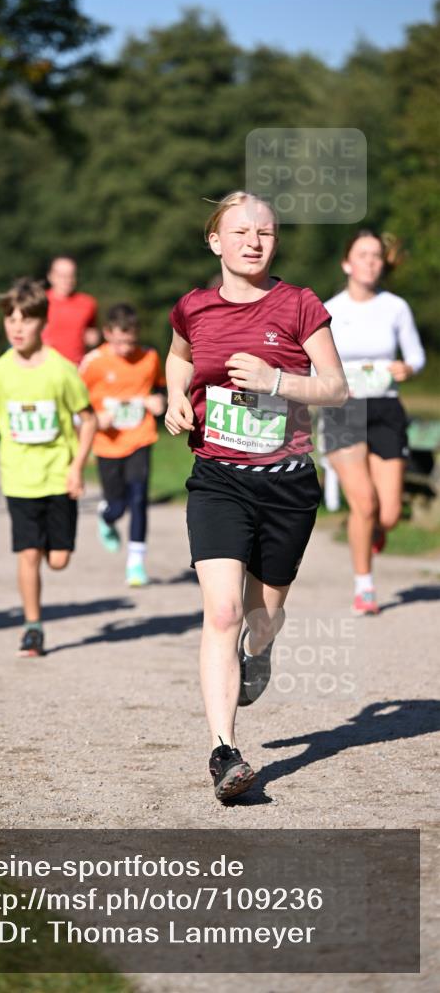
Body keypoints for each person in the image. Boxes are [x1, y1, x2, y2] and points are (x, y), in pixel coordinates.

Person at [164, 191, 347, 802]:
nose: (254, 242)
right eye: (241, 232)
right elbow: (178, 357)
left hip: (287, 483)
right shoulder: (193, 307)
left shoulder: (299, 305)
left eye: (265, 233)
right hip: (217, 478)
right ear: (216, 241)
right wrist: (172, 399)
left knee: (260, 614)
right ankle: (224, 752)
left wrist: (277, 380)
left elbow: (336, 388)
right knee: (221, 611)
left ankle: (259, 649)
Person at [0, 277, 96, 657]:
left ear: (43, 322)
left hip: (59, 476)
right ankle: (32, 627)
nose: (17, 327)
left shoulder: (61, 371)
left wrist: (77, 468)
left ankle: (50, 547)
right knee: (28, 555)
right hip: (19, 479)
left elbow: (88, 419)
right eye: (10, 320)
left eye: (25, 320)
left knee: (57, 561)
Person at [319, 230, 426, 615]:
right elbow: (315, 360)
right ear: (347, 263)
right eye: (362, 255)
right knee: (363, 503)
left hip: (385, 409)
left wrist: (407, 367)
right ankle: (364, 585)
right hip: (344, 409)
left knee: (389, 513)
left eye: (376, 256)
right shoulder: (329, 309)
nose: (370, 261)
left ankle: (374, 533)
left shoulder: (395, 307)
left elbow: (416, 356)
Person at [80, 302, 166, 586]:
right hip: (107, 444)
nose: (125, 349)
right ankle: (106, 516)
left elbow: (164, 387)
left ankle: (136, 564)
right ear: (107, 333)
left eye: (130, 342)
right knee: (117, 505)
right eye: (119, 342)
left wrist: (160, 402)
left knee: (139, 498)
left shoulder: (150, 358)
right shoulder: (93, 362)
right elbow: (72, 406)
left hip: (140, 437)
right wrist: (93, 419)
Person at [41, 255, 99, 365]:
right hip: (46, 366)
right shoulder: (40, 302)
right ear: (50, 276)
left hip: (76, 367)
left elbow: (92, 333)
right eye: (61, 276)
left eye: (71, 276)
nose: (67, 280)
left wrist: (93, 339)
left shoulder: (88, 303)